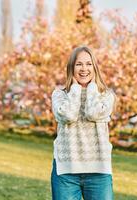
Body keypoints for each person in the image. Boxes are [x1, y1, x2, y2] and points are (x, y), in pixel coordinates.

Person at [50, 45, 117, 200]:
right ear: (71, 68)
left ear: (95, 67)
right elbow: (68, 115)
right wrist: (75, 90)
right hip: (66, 173)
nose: (84, 69)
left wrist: (92, 88)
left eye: (88, 64)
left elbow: (92, 113)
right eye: (79, 64)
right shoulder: (59, 95)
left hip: (99, 171)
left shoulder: (106, 96)